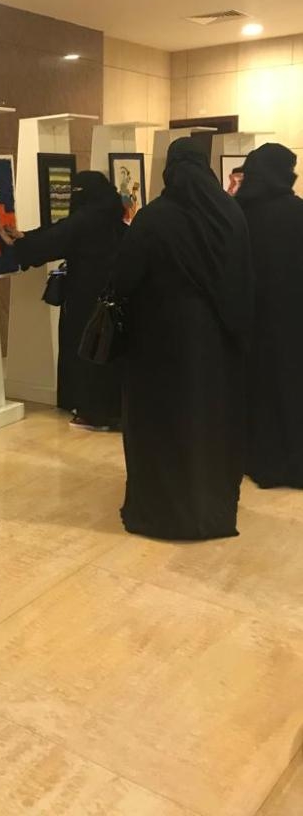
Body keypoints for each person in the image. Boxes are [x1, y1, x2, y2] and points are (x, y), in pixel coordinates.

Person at [113, 138, 253, 540]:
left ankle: (162, 513)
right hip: (218, 348)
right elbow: (244, 278)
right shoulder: (231, 214)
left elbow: (123, 278)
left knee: (161, 426)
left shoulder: (154, 217)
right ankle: (210, 511)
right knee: (211, 425)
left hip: (159, 346)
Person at [8, 171, 126, 430]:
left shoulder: (84, 220)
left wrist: (20, 243)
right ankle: (114, 410)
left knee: (85, 352)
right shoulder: (114, 218)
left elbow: (54, 239)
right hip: (115, 299)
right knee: (108, 352)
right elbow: (57, 232)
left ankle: (91, 412)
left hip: (85, 299)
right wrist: (26, 236)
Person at [236, 143, 303, 488]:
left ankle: (261, 459)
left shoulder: (237, 214)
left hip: (250, 318)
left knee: (257, 388)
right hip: (294, 318)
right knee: (292, 387)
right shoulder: (298, 212)